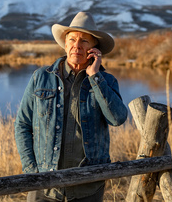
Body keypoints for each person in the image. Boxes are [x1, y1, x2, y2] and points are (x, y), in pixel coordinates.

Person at [15, 11, 128, 202]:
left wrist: (95, 76)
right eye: (72, 39)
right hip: (44, 185)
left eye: (84, 41)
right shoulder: (41, 77)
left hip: (88, 185)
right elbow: (22, 126)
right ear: (65, 44)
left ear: (94, 49)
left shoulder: (106, 81)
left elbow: (117, 119)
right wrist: (32, 172)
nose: (77, 46)